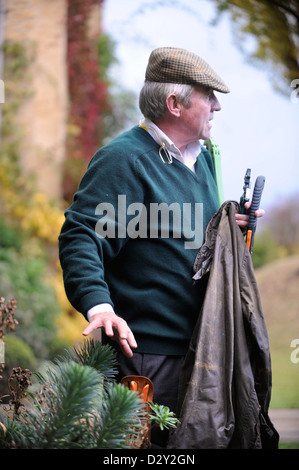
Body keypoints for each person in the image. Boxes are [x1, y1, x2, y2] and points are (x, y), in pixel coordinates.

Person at [58, 47, 264, 448]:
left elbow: (184, 241)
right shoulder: (124, 160)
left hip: (202, 350)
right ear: (174, 103)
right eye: (208, 95)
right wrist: (99, 305)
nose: (217, 106)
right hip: (147, 357)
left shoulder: (201, 161)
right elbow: (81, 234)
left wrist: (227, 233)